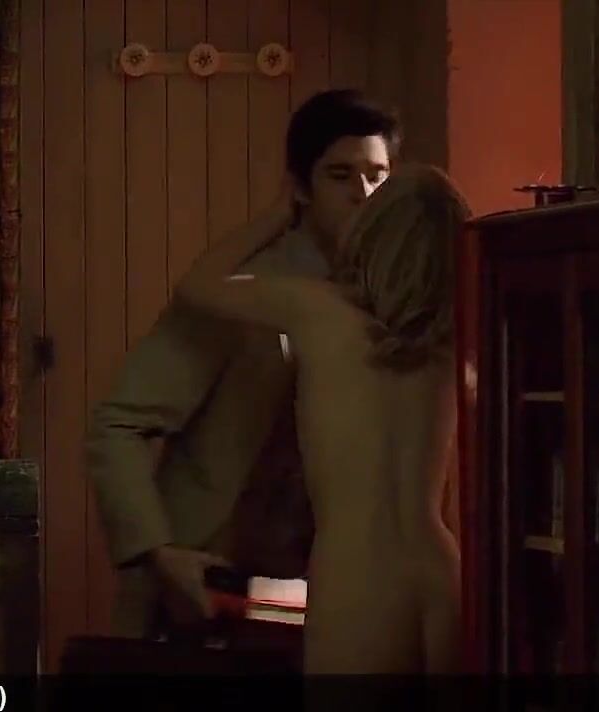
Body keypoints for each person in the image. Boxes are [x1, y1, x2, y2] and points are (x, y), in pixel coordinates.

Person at [85, 89, 400, 639]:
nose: (363, 193)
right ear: (301, 187)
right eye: (340, 175)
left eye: (378, 176)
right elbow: (118, 425)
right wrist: (159, 552)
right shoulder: (241, 294)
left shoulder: (391, 295)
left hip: (325, 592)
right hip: (205, 587)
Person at [173, 164, 472, 674]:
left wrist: (279, 214)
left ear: (373, 235)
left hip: (359, 576)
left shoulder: (316, 310)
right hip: (444, 572)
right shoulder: (448, 339)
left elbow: (198, 285)